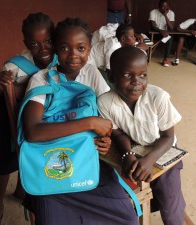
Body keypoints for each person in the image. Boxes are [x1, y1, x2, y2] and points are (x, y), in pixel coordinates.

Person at [22, 18, 139, 225]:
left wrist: (106, 138)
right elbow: (33, 132)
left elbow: (108, 115)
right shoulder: (41, 79)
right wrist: (89, 123)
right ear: (56, 49)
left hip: (87, 163)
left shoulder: (91, 73)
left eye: (81, 48)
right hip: (50, 168)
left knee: (127, 217)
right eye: (65, 48)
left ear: (89, 50)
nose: (73, 55)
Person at [98, 46, 187, 225]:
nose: (136, 81)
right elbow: (118, 133)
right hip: (135, 148)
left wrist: (149, 160)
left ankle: (175, 212)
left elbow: (168, 137)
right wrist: (126, 154)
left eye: (142, 75)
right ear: (111, 75)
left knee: (170, 207)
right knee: (126, 195)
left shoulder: (157, 97)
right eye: (127, 75)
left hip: (163, 151)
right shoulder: (105, 102)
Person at [0, 12, 58, 225]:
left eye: (48, 41)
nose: (43, 49)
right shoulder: (14, 65)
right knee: (5, 160)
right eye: (35, 44)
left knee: (30, 156)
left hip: (40, 120)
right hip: (11, 122)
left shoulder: (59, 60)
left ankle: (19, 190)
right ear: (26, 43)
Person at [149, 0, 175, 67]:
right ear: (159, 7)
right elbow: (153, 26)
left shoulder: (171, 13)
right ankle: (148, 57)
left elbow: (171, 27)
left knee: (170, 38)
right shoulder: (153, 12)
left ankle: (165, 59)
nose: (165, 8)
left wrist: (165, 15)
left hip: (165, 35)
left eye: (166, 6)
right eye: (162, 7)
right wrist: (161, 31)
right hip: (155, 33)